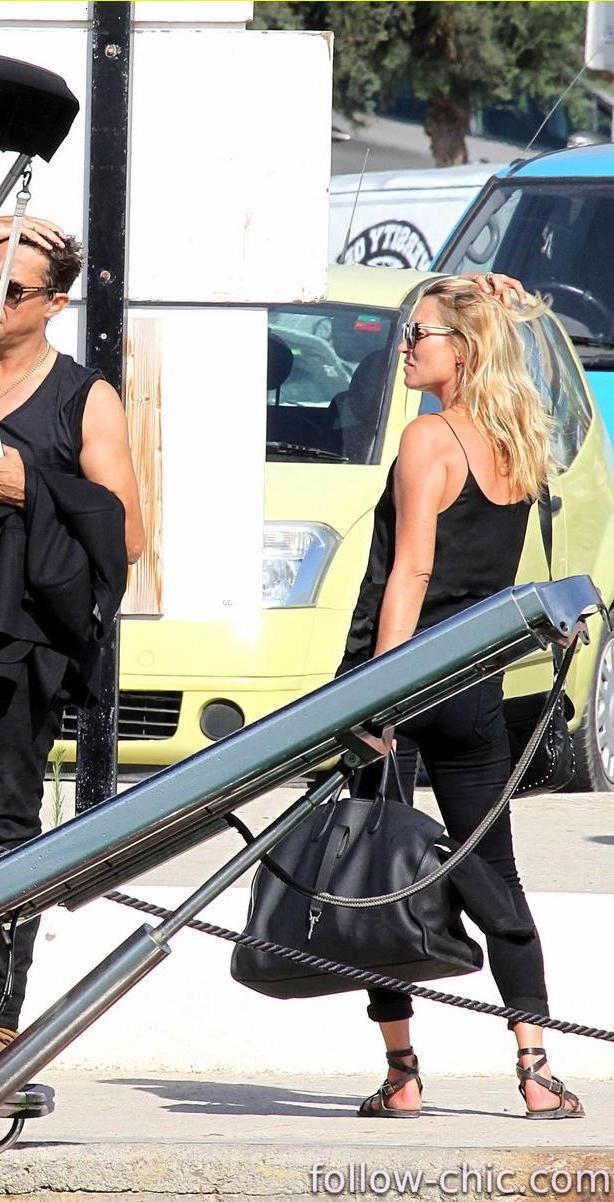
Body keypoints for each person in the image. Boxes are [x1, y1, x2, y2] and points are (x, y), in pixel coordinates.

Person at [341, 271, 584, 1120]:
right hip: (475, 684)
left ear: (466, 348)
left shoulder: (429, 438)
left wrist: (377, 698)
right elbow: (542, 380)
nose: (405, 347)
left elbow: (410, 572)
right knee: (496, 870)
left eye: (421, 334)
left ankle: (402, 1073)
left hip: (402, 678)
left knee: (376, 871)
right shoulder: (517, 441)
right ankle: (536, 1067)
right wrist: (510, 311)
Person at [0, 213, 144, 1046]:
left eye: (12, 290)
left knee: (5, 826)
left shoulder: (82, 398)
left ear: (53, 304)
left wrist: (27, 486)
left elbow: (126, 534)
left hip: (18, 650)